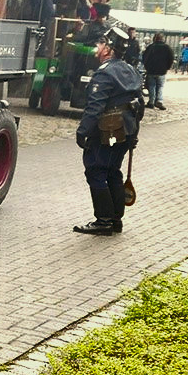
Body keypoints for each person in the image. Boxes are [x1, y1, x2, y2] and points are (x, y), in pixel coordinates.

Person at [72, 25, 142, 236]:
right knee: (113, 171)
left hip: (108, 131)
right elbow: (140, 104)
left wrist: (83, 131)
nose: (96, 48)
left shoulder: (104, 73)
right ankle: (115, 220)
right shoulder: (130, 70)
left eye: (99, 44)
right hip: (127, 131)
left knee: (96, 170)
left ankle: (103, 220)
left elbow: (95, 106)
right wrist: (134, 135)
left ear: (108, 49)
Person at [142, 33, 174, 109]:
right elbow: (171, 58)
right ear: (162, 39)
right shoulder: (167, 47)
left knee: (151, 86)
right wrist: (167, 67)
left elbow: (145, 58)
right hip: (162, 71)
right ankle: (159, 101)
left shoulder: (151, 47)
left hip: (151, 71)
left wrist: (147, 67)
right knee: (160, 86)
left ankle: (151, 102)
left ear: (155, 38)